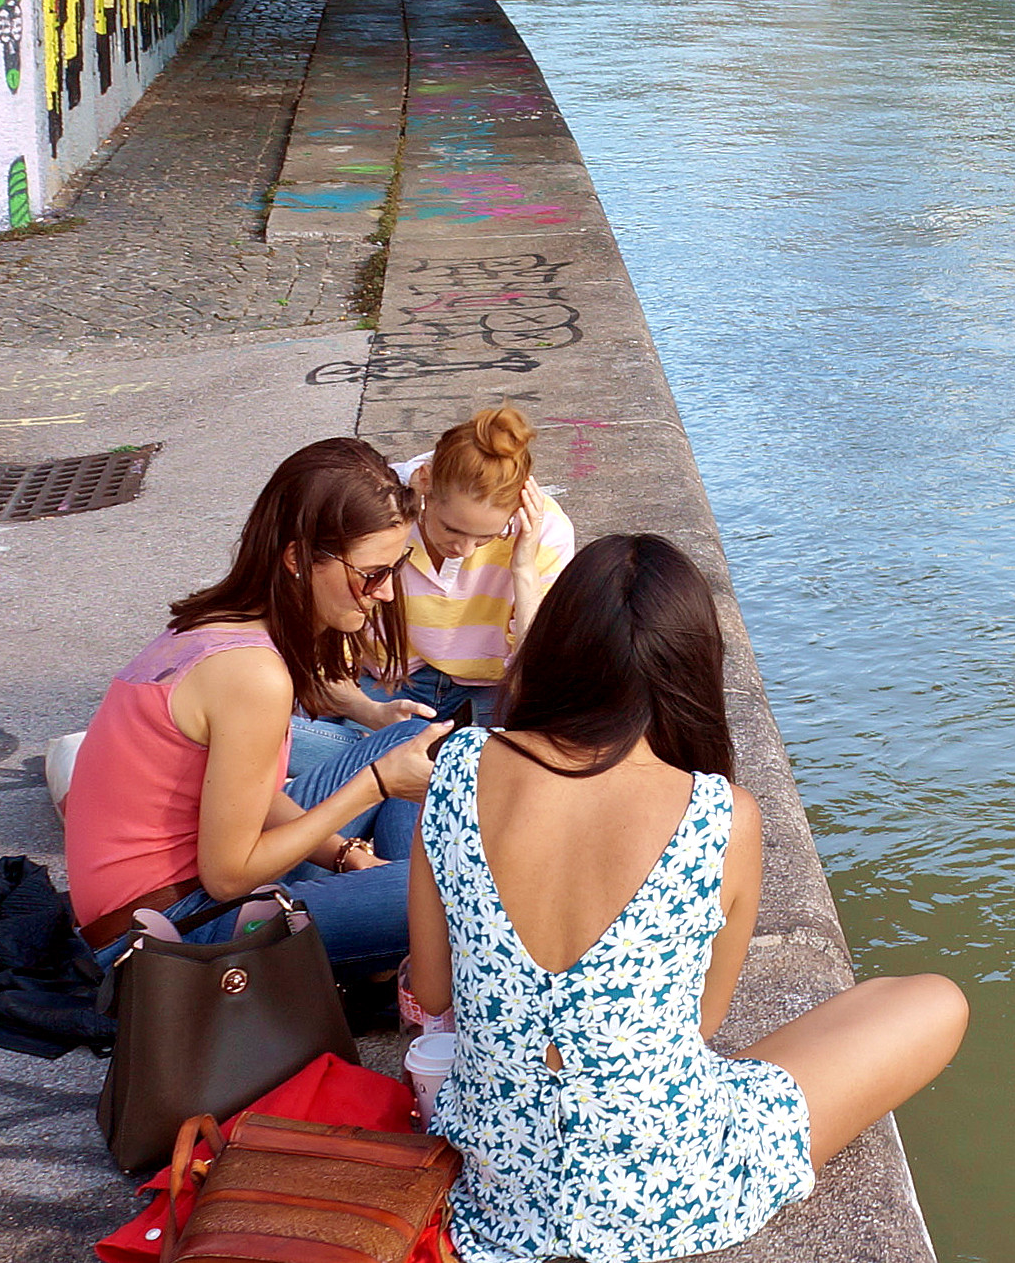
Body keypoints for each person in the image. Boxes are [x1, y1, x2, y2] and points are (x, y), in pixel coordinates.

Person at [407, 534, 967, 1263]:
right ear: (692, 671)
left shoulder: (458, 767)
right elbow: (701, 1021)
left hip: (499, 1194)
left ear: (554, 649)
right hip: (667, 1193)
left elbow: (432, 990)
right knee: (933, 1001)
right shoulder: (720, 816)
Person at [63, 437, 453, 976]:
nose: (385, 592)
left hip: (176, 899)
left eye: (396, 567)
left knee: (417, 744)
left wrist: (350, 858)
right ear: (298, 559)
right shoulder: (252, 674)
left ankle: (399, 910)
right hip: (161, 936)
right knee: (455, 894)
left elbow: (254, 796)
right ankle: (414, 930)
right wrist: (376, 785)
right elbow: (228, 876)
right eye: (372, 573)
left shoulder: (217, 626)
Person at [393, 405, 574, 727]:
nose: (463, 550)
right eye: (451, 529)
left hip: (491, 688)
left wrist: (524, 569)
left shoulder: (548, 530)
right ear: (424, 484)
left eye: (487, 537)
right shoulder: (383, 505)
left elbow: (537, 670)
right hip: (393, 680)